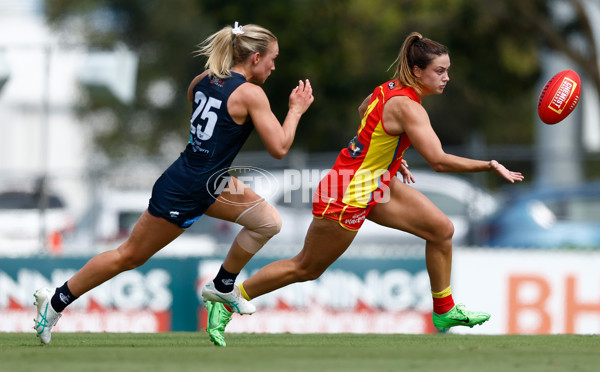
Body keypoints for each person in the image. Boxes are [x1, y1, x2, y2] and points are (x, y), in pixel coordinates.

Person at [203, 31, 524, 346]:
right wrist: (488, 165)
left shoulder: (389, 89)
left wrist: (390, 154)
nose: (446, 78)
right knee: (306, 267)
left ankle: (444, 310)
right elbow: (438, 161)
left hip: (375, 184)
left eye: (447, 71)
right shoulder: (410, 108)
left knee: (441, 230)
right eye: (439, 71)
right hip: (347, 192)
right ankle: (229, 298)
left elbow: (365, 111)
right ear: (417, 71)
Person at [33, 22, 314, 345]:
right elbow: (279, 149)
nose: (274, 66)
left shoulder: (200, 81)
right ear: (254, 58)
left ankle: (222, 285)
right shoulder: (251, 93)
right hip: (187, 187)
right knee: (129, 256)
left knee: (267, 222)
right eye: (272, 59)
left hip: (207, 181)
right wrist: (295, 110)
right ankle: (54, 302)